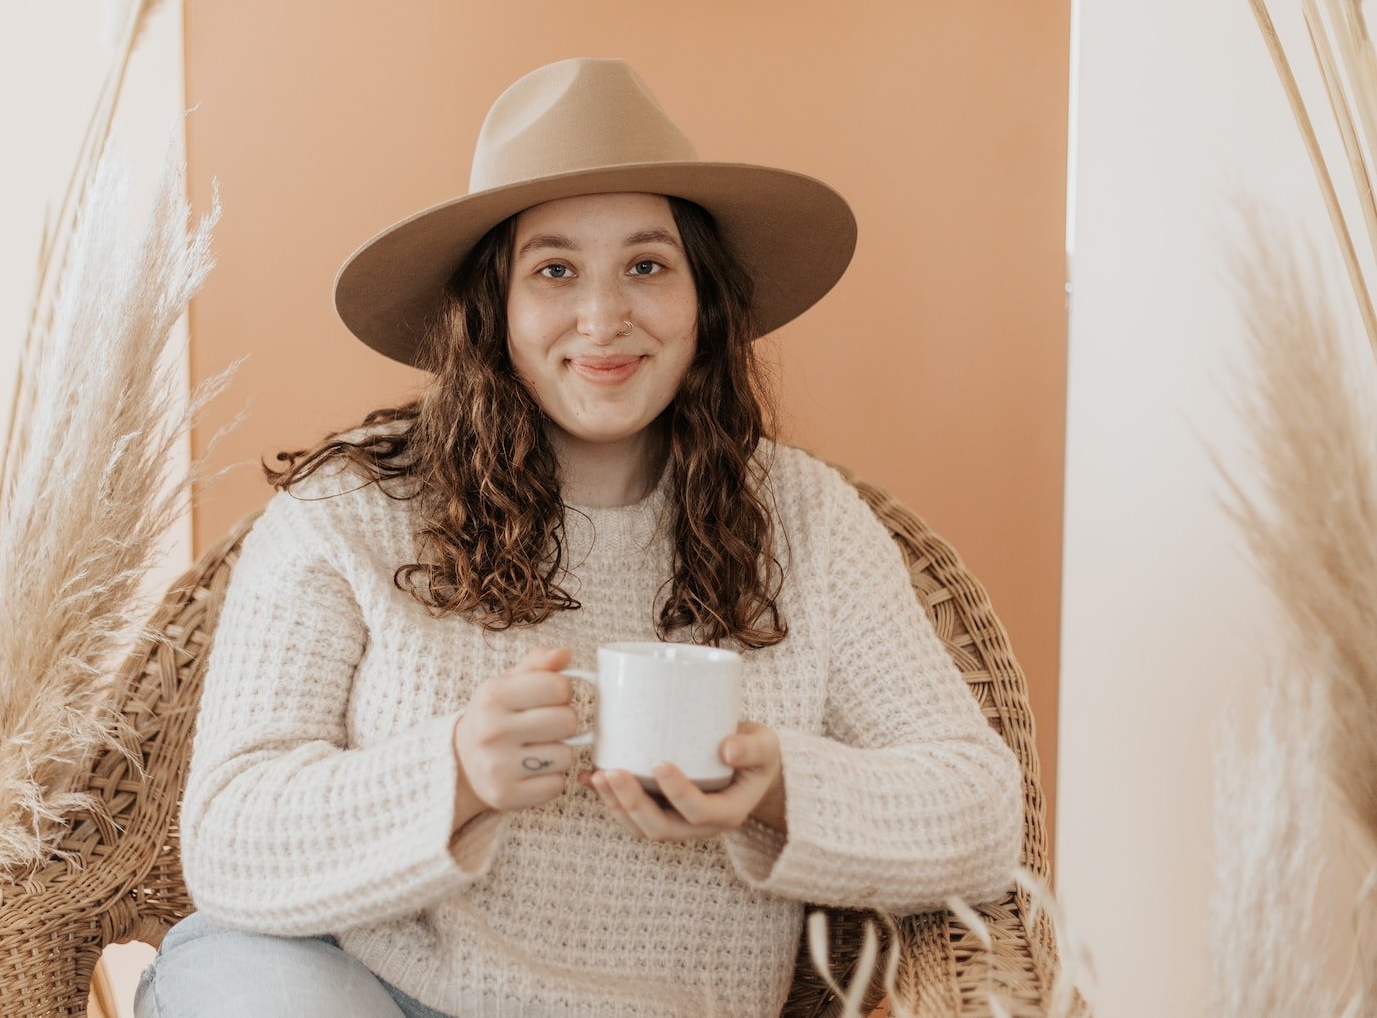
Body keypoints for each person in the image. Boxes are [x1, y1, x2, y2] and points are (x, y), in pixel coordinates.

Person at [133, 57, 1025, 1018]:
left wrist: (781, 788)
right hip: (357, 988)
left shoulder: (807, 523)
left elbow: (979, 808)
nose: (604, 319)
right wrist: (456, 774)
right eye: (554, 269)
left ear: (703, 303)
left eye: (647, 265)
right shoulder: (350, 509)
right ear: (494, 310)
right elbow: (226, 836)